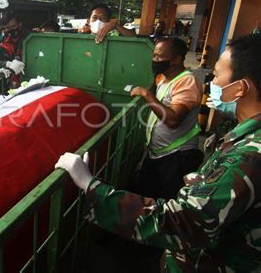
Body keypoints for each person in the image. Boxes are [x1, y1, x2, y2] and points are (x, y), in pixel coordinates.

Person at [55, 34, 261, 272]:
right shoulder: (245, 138)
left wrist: (92, 186)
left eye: (216, 74)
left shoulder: (250, 155)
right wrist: (204, 181)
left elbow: (182, 222)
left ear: (239, 88)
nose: (211, 82)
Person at [130, 37, 203, 200]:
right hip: (157, 153)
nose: (155, 60)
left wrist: (146, 94)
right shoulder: (163, 78)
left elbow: (173, 120)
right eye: (154, 56)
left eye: (159, 57)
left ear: (176, 59)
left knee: (167, 201)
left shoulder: (188, 81)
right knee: (145, 195)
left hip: (176, 156)